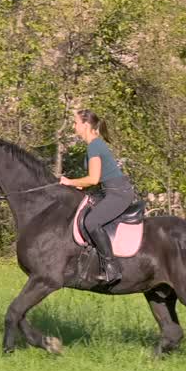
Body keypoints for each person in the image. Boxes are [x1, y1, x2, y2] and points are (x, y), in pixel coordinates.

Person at [59, 110, 135, 283]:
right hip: (109, 190)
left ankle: (112, 268)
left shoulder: (94, 145)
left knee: (91, 221)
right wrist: (79, 184)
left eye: (75, 123)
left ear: (85, 125)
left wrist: (69, 182)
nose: (73, 126)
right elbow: (96, 178)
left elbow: (93, 178)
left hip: (118, 192)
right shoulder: (94, 145)